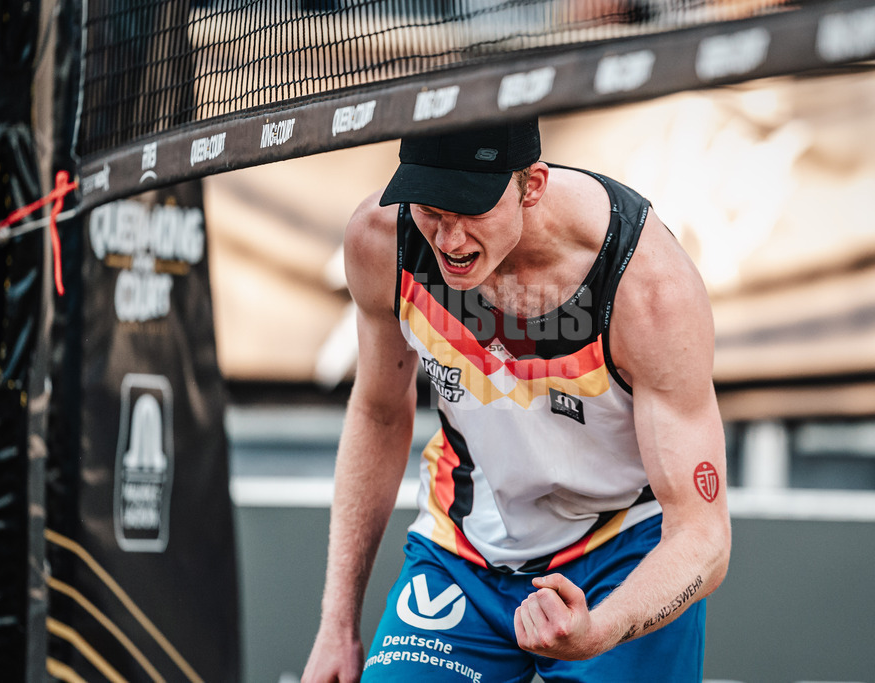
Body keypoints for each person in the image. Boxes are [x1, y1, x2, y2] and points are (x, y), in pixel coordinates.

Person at [302, 118, 731, 682]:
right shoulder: (384, 240)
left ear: (532, 185)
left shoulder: (647, 286)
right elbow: (379, 413)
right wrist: (337, 624)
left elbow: (703, 537)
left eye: (471, 209)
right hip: (462, 549)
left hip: (620, 551)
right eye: (433, 209)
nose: (450, 241)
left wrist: (597, 631)